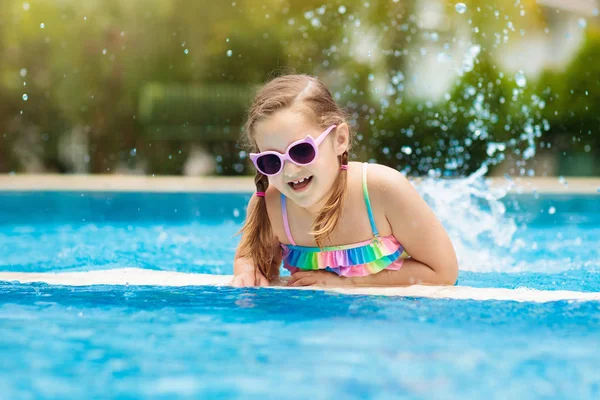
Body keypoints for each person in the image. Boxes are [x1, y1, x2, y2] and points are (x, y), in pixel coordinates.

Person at [232, 74, 458, 288]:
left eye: (301, 151)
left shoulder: (382, 190)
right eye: (271, 161)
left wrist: (347, 283)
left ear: (340, 139)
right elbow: (249, 258)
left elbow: (443, 272)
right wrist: (248, 271)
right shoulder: (271, 205)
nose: (290, 170)